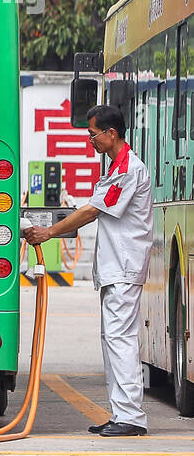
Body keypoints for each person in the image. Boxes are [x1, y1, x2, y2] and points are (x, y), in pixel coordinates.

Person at [23, 105, 153, 436]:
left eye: (93, 134)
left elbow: (92, 211)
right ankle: (122, 413)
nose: (90, 140)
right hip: (116, 267)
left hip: (124, 266)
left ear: (111, 133)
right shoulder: (114, 168)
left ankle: (130, 417)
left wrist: (49, 233)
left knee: (120, 340)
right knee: (113, 340)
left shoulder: (127, 170)